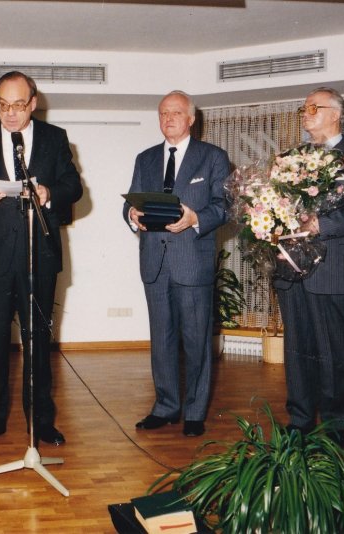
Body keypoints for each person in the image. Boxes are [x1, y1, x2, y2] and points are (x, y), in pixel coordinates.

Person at [0, 71, 83, 445]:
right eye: (2, 105)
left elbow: (73, 186)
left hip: (38, 256)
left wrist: (47, 192)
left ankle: (41, 420)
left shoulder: (54, 138)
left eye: (18, 105)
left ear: (33, 103)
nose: (10, 113)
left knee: (37, 341)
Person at [275, 87, 344, 448]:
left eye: (314, 107)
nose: (305, 113)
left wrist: (320, 224)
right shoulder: (290, 159)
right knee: (297, 349)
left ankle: (335, 423)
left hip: (335, 268)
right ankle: (299, 420)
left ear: (337, 114)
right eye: (303, 109)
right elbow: (275, 207)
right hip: (291, 268)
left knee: (334, 351)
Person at [124, 90, 230, 438]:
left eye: (176, 112)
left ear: (191, 119)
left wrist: (195, 218)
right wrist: (132, 215)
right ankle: (166, 406)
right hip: (154, 262)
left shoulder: (212, 157)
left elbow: (225, 206)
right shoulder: (145, 158)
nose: (168, 118)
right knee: (162, 340)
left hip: (192, 262)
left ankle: (195, 412)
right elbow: (130, 203)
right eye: (163, 113)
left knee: (196, 341)